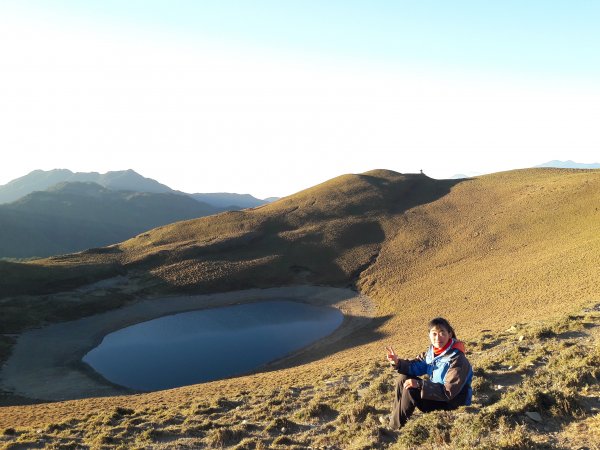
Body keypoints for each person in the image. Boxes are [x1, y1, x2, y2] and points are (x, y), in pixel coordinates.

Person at [383, 317, 473, 430]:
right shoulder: (432, 353)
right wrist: (397, 363)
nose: (437, 337)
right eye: (434, 333)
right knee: (403, 378)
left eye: (442, 333)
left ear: (449, 334)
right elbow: (414, 367)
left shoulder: (457, 359)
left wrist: (420, 385)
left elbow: (448, 392)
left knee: (412, 389)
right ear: (429, 335)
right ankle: (395, 418)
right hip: (437, 396)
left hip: (452, 403)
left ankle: (394, 429)